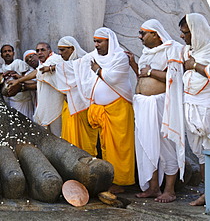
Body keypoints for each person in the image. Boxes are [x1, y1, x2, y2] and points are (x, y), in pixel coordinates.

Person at [41, 28, 135, 193]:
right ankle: (108, 178)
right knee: (105, 146)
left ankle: (121, 181)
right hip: (100, 109)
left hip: (119, 108)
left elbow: (113, 78)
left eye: (100, 41)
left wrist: (98, 70)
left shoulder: (119, 57)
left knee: (119, 147)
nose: (96, 45)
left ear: (109, 42)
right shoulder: (92, 57)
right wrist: (53, 68)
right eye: (95, 41)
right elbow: (73, 67)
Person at [128, 19, 185, 203]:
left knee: (166, 146)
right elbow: (141, 75)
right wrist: (134, 65)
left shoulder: (172, 48)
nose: (140, 37)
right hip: (143, 104)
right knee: (146, 146)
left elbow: (175, 76)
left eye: (143, 33)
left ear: (155, 34)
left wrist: (151, 72)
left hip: (161, 104)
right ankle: (153, 188)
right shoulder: (146, 53)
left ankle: (169, 190)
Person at [41, 36, 99, 155]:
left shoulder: (85, 61)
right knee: (70, 142)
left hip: (84, 110)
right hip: (69, 109)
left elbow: (73, 68)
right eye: (59, 50)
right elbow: (63, 69)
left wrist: (52, 68)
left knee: (86, 143)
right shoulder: (64, 65)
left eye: (63, 50)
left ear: (72, 49)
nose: (60, 53)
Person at [179, 13, 210, 206]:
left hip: (207, 107)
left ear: (196, 32)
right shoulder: (187, 52)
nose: (183, 36)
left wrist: (195, 65)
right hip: (191, 107)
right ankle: (207, 192)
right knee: (200, 153)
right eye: (182, 33)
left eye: (186, 33)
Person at [8, 42, 64, 136]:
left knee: (58, 134)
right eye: (37, 50)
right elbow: (37, 81)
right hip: (48, 103)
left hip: (57, 103)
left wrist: (18, 81)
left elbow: (37, 73)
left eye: (42, 50)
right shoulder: (43, 63)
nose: (40, 52)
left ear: (49, 51)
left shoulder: (54, 59)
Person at [0, 44, 34, 119]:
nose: (7, 53)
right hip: (13, 100)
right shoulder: (1, 70)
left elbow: (28, 78)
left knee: (29, 121)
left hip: (25, 99)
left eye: (9, 51)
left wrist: (17, 76)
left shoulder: (19, 63)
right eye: (5, 52)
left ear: (13, 53)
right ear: (1, 55)